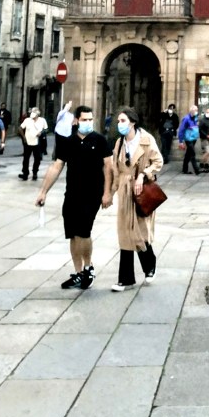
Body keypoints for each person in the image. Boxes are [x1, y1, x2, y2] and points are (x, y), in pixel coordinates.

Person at [35, 105, 112, 289]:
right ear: (76, 120)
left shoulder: (100, 140)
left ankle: (88, 268)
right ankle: (78, 273)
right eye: (84, 119)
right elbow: (56, 167)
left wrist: (107, 192)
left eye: (90, 119)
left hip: (92, 193)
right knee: (72, 234)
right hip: (72, 193)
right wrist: (43, 191)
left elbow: (108, 167)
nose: (88, 122)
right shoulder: (68, 142)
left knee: (83, 231)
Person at [109, 107, 163, 291]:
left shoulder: (146, 140)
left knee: (140, 231)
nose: (120, 124)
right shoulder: (119, 143)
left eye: (123, 120)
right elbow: (116, 169)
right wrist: (111, 192)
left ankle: (150, 264)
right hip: (125, 190)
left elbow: (158, 161)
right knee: (125, 233)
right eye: (118, 121)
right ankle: (125, 279)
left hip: (142, 190)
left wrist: (143, 174)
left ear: (132, 122)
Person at [18, 108, 47, 181]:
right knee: (26, 158)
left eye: (34, 112)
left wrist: (41, 133)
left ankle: (35, 172)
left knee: (37, 158)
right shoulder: (27, 120)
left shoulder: (42, 120)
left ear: (37, 114)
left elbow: (46, 129)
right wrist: (24, 138)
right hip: (28, 142)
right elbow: (20, 128)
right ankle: (25, 173)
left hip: (37, 142)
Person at [177, 105, 200, 175]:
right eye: (195, 110)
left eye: (197, 110)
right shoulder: (186, 119)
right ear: (191, 111)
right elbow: (181, 130)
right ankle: (196, 170)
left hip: (194, 138)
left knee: (188, 154)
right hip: (188, 139)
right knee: (192, 153)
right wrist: (181, 141)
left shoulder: (195, 118)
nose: (196, 111)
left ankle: (184, 169)